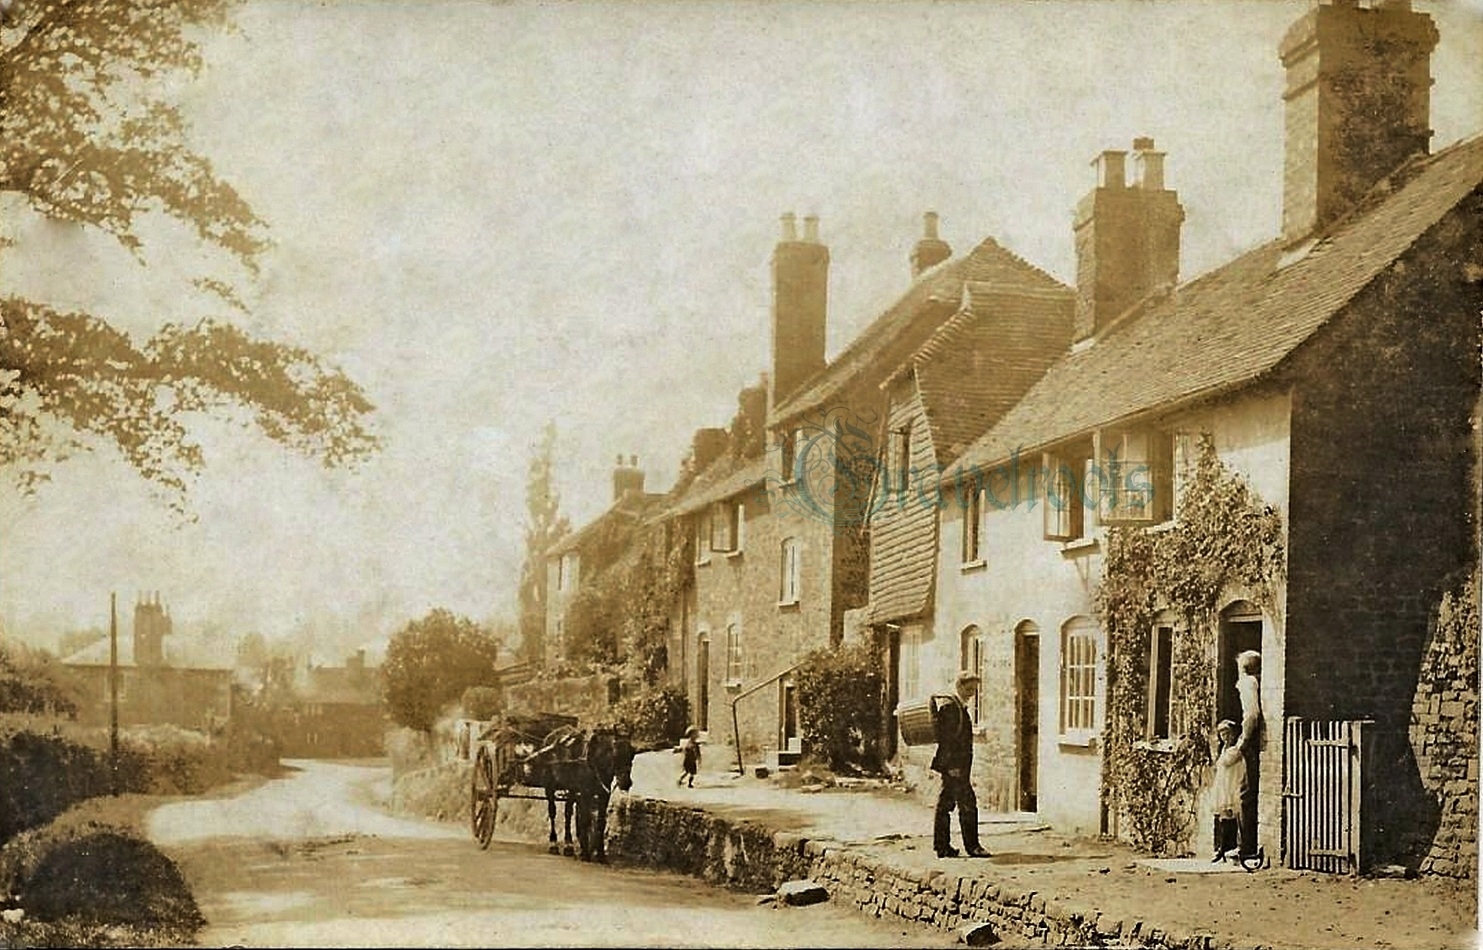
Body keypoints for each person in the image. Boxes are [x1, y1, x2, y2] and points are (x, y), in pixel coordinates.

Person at [930, 671, 990, 858]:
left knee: (946, 804)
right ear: (959, 686)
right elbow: (947, 740)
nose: (972, 694)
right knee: (967, 804)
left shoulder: (957, 707)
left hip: (956, 766)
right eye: (969, 689)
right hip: (955, 766)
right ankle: (972, 847)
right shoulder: (951, 708)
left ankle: (942, 847)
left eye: (974, 690)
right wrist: (952, 766)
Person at [1233, 650, 1264, 862]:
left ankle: (1245, 846)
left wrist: (1243, 740)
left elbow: (1251, 714)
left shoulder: (1247, 683)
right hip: (1256, 742)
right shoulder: (1259, 681)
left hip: (1250, 742)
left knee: (1245, 793)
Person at [1210, 719, 1245, 862]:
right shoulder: (1224, 749)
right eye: (1222, 734)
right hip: (1223, 786)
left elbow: (1227, 762)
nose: (1224, 737)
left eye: (1227, 734)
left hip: (1233, 786)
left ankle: (1230, 847)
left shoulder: (1235, 750)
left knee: (1233, 816)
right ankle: (1223, 847)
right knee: (1224, 818)